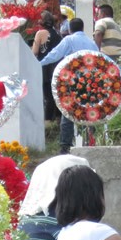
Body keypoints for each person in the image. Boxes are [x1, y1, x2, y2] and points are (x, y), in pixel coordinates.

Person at [40, 18, 98, 154]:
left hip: (73, 81)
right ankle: (91, 140)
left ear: (70, 29)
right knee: (90, 111)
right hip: (90, 81)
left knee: (69, 112)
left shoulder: (69, 40)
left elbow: (55, 54)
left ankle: (65, 145)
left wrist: (40, 63)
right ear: (83, 28)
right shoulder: (92, 43)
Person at [31, 10, 62, 122]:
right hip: (58, 66)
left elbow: (34, 52)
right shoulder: (58, 33)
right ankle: (58, 118)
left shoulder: (40, 33)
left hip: (45, 67)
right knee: (57, 94)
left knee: (48, 95)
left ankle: (48, 121)